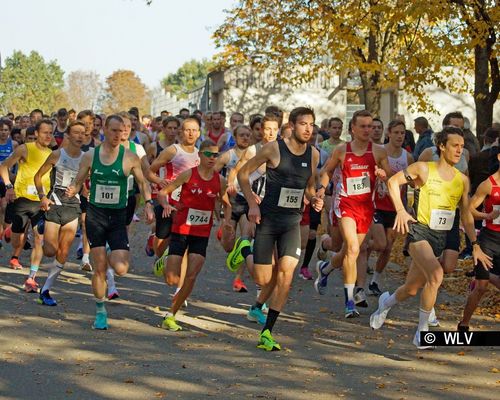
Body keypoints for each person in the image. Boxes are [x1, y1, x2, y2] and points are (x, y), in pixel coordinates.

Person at [370, 126, 491, 349]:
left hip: (441, 236)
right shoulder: (423, 169)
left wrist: (474, 244)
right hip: (420, 232)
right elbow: (393, 182)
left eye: (462, 147)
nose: (459, 150)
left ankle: (385, 304)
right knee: (436, 275)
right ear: (442, 146)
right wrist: (400, 210)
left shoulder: (462, 180)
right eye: (455, 146)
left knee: (411, 288)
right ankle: (422, 333)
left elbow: (465, 215)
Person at [237, 106, 323, 351]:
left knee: (286, 273)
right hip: (268, 220)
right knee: (264, 278)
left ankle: (267, 331)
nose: (308, 129)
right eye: (303, 124)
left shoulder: (314, 154)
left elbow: (308, 185)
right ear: (292, 125)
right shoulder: (274, 148)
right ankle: (244, 249)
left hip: (291, 222)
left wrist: (313, 198)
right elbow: (243, 174)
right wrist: (252, 203)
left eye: (311, 124)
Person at [66, 115, 154, 329]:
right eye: (113, 130)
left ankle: (107, 250)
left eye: (121, 131)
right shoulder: (90, 156)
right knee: (99, 268)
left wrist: (149, 203)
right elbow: (78, 181)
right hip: (96, 216)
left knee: (122, 268)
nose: (117, 135)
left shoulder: (130, 157)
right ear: (105, 129)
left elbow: (143, 184)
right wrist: (73, 190)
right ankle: (100, 311)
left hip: (117, 217)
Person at [316, 110, 391, 318]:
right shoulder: (342, 150)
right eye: (363, 126)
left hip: (366, 207)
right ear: (353, 129)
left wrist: (384, 176)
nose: (368, 130)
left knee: (350, 251)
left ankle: (326, 268)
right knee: (353, 247)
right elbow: (327, 171)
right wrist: (322, 189)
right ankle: (349, 301)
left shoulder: (378, 152)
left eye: (370, 126)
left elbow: (391, 177)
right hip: (345, 204)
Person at [157, 140, 229, 331]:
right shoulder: (189, 174)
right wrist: (165, 204)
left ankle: (171, 314)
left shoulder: (220, 181)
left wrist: (225, 221)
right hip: (181, 229)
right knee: (172, 279)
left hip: (201, 233)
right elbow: (163, 192)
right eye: (209, 154)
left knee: (191, 275)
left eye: (216, 155)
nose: (213, 158)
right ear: (200, 156)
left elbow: (225, 203)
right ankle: (165, 259)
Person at [34, 121, 85, 305]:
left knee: (63, 251)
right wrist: (42, 197)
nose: (80, 136)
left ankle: (46, 289)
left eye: (83, 133)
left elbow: (88, 181)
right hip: (54, 204)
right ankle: (42, 227)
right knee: (50, 251)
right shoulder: (57, 155)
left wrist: (80, 188)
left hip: (73, 207)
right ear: (68, 136)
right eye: (76, 133)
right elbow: (38, 176)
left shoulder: (86, 158)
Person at [0, 119, 53, 291]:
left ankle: (31, 277)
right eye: (44, 132)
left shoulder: (53, 153)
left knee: (39, 238)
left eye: (50, 133)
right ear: (36, 133)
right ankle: (9, 231)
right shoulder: (25, 149)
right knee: (18, 241)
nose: (48, 136)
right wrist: (9, 187)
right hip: (21, 200)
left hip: (40, 201)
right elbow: (4, 166)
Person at [368, 120, 414, 295]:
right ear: (389, 133)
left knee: (387, 247)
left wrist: (408, 206)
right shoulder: (379, 151)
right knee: (380, 244)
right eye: (396, 132)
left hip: (396, 208)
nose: (400, 136)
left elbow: (411, 184)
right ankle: (362, 247)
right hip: (377, 204)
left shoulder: (407, 157)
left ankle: (374, 281)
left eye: (402, 133)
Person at [458, 148, 500, 331]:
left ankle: (485, 276)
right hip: (489, 239)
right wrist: (487, 215)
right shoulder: (488, 185)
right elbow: (469, 209)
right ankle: (464, 324)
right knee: (481, 287)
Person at [214, 124, 252, 292]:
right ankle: (225, 236)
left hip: (247, 202)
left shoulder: (255, 154)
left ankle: (239, 279)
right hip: (230, 202)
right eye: (241, 135)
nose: (245, 138)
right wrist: (224, 186)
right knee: (228, 246)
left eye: (247, 135)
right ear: (235, 138)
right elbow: (212, 174)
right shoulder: (227, 156)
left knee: (246, 239)